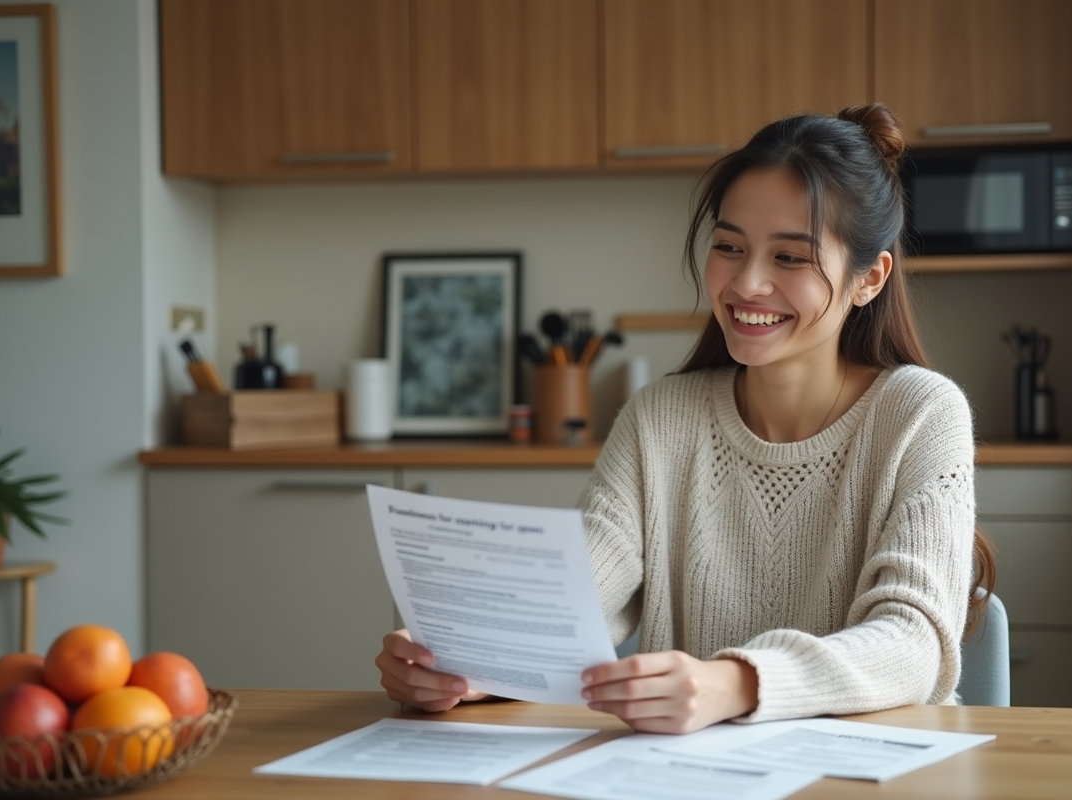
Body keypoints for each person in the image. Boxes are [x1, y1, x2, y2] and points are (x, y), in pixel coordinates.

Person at [375, 103, 996, 735]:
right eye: (729, 246)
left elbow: (912, 643)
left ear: (869, 279)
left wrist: (736, 683)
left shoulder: (921, 413)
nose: (747, 283)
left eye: (789, 258)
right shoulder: (659, 419)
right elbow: (573, 601)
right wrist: (460, 662)